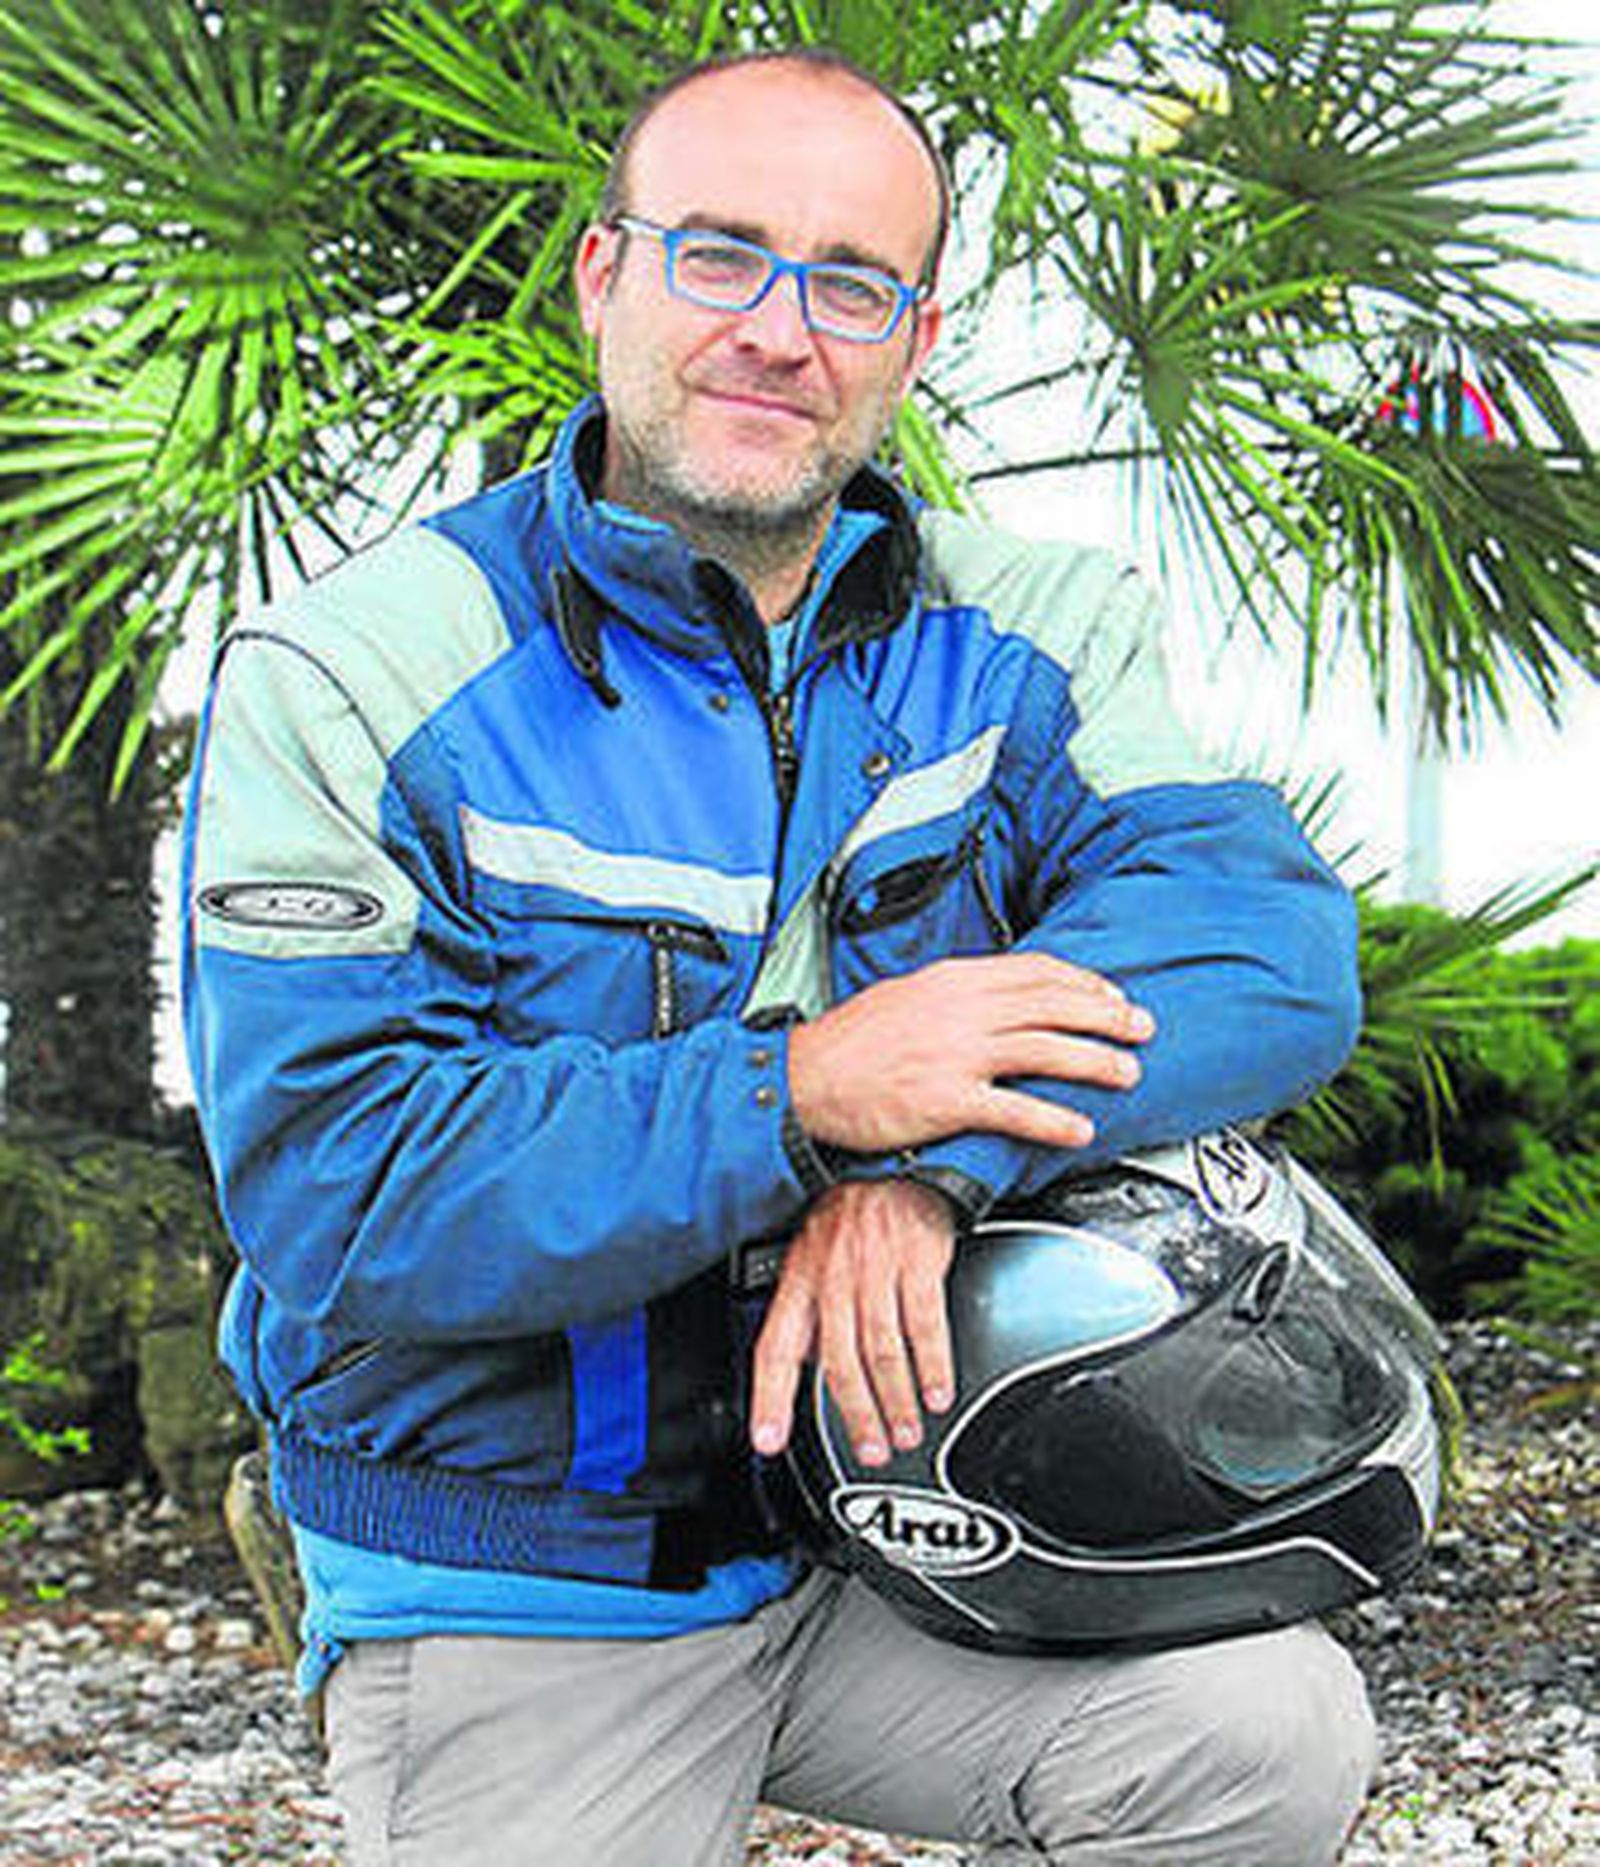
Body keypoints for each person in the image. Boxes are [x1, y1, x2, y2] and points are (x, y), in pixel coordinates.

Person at [182, 47, 1377, 1866]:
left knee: (1261, 1735)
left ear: (915, 338)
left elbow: (1260, 942)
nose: (779, 331)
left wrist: (925, 1158)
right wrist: (802, 1096)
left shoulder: (1030, 630)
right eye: (721, 255)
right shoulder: (354, 676)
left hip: (907, 1542)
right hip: (529, 1590)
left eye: (850, 282)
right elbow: (338, 1187)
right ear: (605, 276)